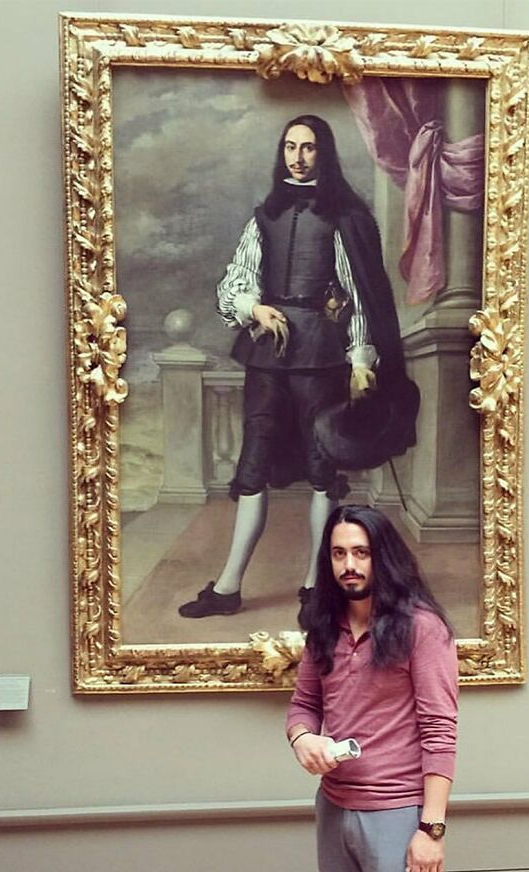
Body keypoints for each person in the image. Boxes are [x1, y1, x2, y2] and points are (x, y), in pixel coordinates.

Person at [179, 116, 417, 622]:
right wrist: (254, 309)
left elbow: (357, 298)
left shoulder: (345, 217)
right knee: (253, 468)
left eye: (308, 148)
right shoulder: (263, 215)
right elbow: (235, 280)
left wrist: (359, 360)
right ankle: (227, 588)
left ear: (322, 153)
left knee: (320, 470)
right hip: (268, 354)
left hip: (323, 355)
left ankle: (315, 589)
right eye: (290, 146)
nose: (298, 156)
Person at [286, 505, 458, 872]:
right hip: (333, 804)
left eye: (361, 553)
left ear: (383, 557)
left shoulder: (423, 627)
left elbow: (440, 731)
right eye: (339, 553)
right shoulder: (324, 625)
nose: (350, 564)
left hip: (396, 810)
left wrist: (431, 829)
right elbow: (304, 704)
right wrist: (302, 738)